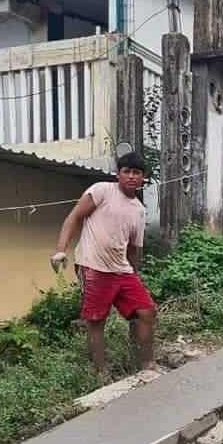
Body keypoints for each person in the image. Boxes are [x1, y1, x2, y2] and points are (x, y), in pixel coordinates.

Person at [51, 152, 157, 379]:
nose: (131, 176)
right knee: (97, 320)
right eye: (126, 171)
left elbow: (132, 248)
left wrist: (135, 276)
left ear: (143, 178)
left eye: (136, 173)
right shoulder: (101, 190)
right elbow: (74, 218)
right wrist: (60, 250)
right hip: (93, 266)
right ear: (118, 174)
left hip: (122, 269)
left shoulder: (138, 209)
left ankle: (146, 365)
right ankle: (101, 372)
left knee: (146, 312)